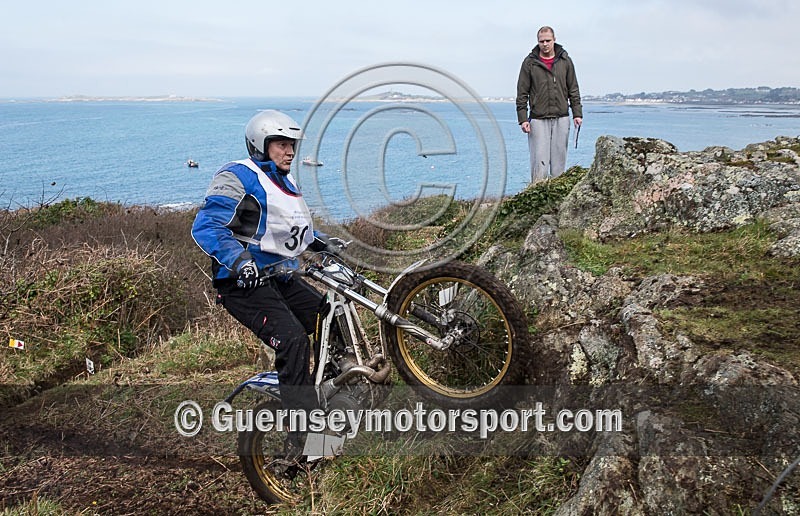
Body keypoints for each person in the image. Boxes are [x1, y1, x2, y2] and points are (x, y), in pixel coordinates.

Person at [191, 110, 327, 435]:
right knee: (293, 339)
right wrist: (239, 261)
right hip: (241, 283)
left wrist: (325, 245)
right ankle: (304, 439)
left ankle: (321, 392)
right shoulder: (237, 175)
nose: (290, 151)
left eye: (291, 144)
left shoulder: (285, 182)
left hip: (278, 276)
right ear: (260, 144)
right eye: (281, 144)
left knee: (327, 316)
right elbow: (208, 225)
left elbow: (292, 230)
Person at [516, 26, 583, 182]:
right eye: (541, 41)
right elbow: (522, 93)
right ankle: (537, 195)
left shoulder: (565, 60)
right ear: (537, 42)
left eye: (548, 40)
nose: (545, 44)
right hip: (538, 119)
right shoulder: (529, 63)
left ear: (554, 40)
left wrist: (577, 114)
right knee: (539, 162)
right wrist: (523, 119)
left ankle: (557, 200)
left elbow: (573, 88)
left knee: (559, 163)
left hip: (562, 117)